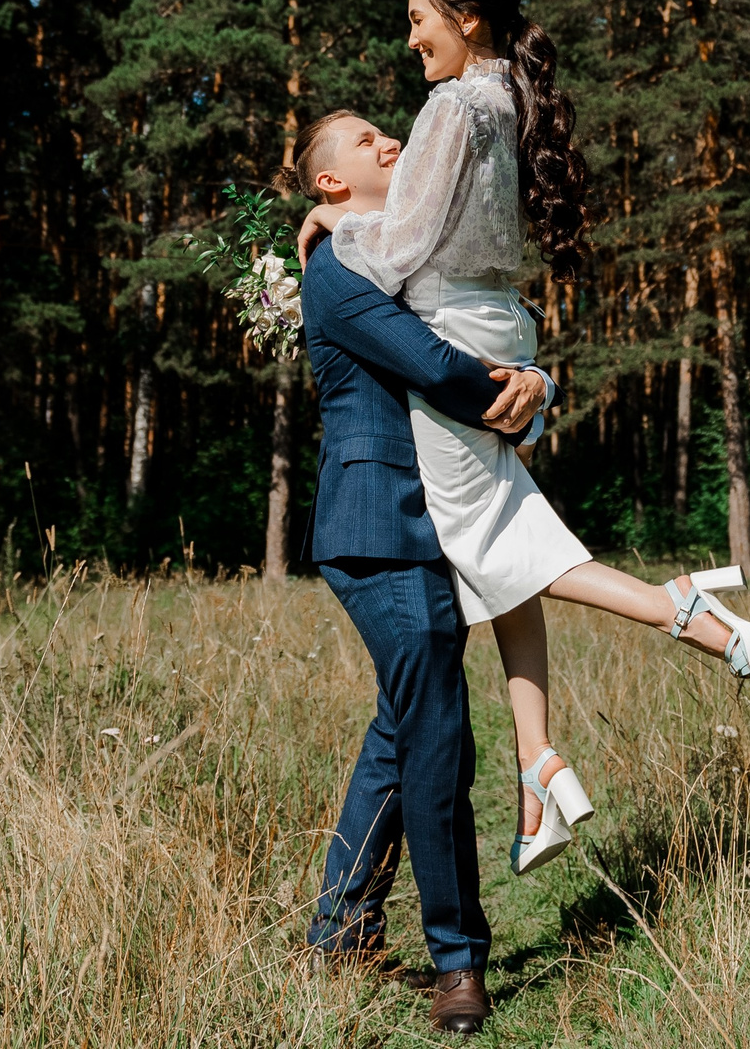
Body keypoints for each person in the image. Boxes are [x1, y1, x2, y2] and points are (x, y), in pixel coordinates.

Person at [296, 0, 750, 883]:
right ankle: (536, 768)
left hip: (452, 324)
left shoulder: (452, 107)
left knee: (495, 540)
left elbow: (401, 245)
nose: (410, 38)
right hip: (499, 316)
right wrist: (537, 378)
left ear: (465, 17)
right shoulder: (509, 94)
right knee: (496, 552)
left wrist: (336, 228)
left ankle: (676, 607)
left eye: (418, 18)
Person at [291, 135, 553, 1036]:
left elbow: (482, 323)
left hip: (430, 521)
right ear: (331, 179)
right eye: (368, 140)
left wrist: (537, 377)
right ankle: (458, 960)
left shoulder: (396, 254)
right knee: (439, 726)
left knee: (402, 727)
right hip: (377, 522)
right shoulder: (335, 268)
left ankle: (339, 932)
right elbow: (436, 363)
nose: (393, 141)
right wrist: (521, 395)